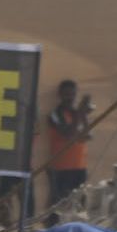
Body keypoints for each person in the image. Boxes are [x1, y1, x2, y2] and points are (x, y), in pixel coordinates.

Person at [46, 79, 93, 208]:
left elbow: (88, 135)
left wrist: (83, 115)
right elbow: (67, 135)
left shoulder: (76, 114)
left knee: (79, 204)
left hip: (79, 166)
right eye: (66, 94)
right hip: (61, 168)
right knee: (59, 205)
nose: (70, 98)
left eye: (72, 94)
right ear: (60, 95)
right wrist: (80, 113)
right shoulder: (55, 114)